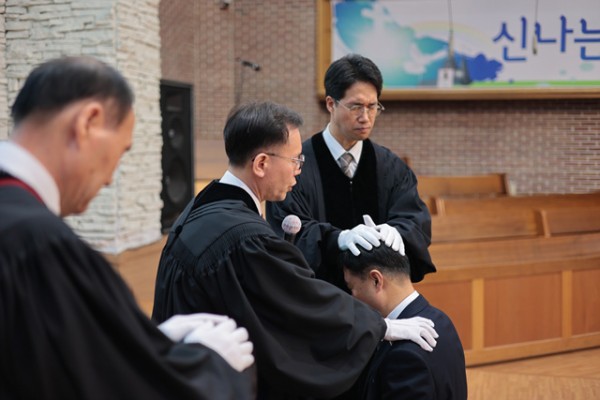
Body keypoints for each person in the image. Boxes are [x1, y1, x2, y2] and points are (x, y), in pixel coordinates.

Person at [0, 56, 254, 399]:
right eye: (121, 152)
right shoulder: (38, 245)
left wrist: (147, 340)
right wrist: (212, 363)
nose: (109, 179)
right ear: (88, 122)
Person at [152, 101, 439, 399]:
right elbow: (303, 302)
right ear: (261, 163)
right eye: (295, 160)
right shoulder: (244, 238)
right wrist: (382, 327)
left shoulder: (201, 207)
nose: (298, 171)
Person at [266, 53, 435, 292]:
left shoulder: (390, 167)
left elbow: (415, 222)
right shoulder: (296, 165)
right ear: (331, 104)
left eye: (372, 107)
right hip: (318, 298)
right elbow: (289, 231)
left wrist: (397, 233)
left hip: (378, 300)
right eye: (356, 106)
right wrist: (339, 239)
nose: (365, 117)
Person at [339, 241, 467, 400]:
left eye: (351, 288)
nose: (352, 297)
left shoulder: (403, 355)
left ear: (376, 280)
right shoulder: (442, 320)